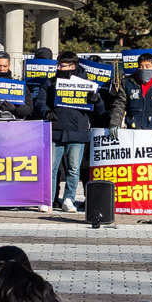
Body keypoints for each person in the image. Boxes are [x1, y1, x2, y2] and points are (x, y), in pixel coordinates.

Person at [46, 52, 102, 212]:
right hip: (56, 131)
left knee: (73, 168)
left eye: (61, 65)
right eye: (58, 65)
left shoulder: (87, 83)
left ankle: (69, 199)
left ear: (72, 66)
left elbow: (101, 109)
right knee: (51, 168)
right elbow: (41, 102)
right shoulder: (51, 82)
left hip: (77, 131)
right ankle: (48, 199)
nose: (58, 68)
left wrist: (96, 100)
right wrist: (46, 112)